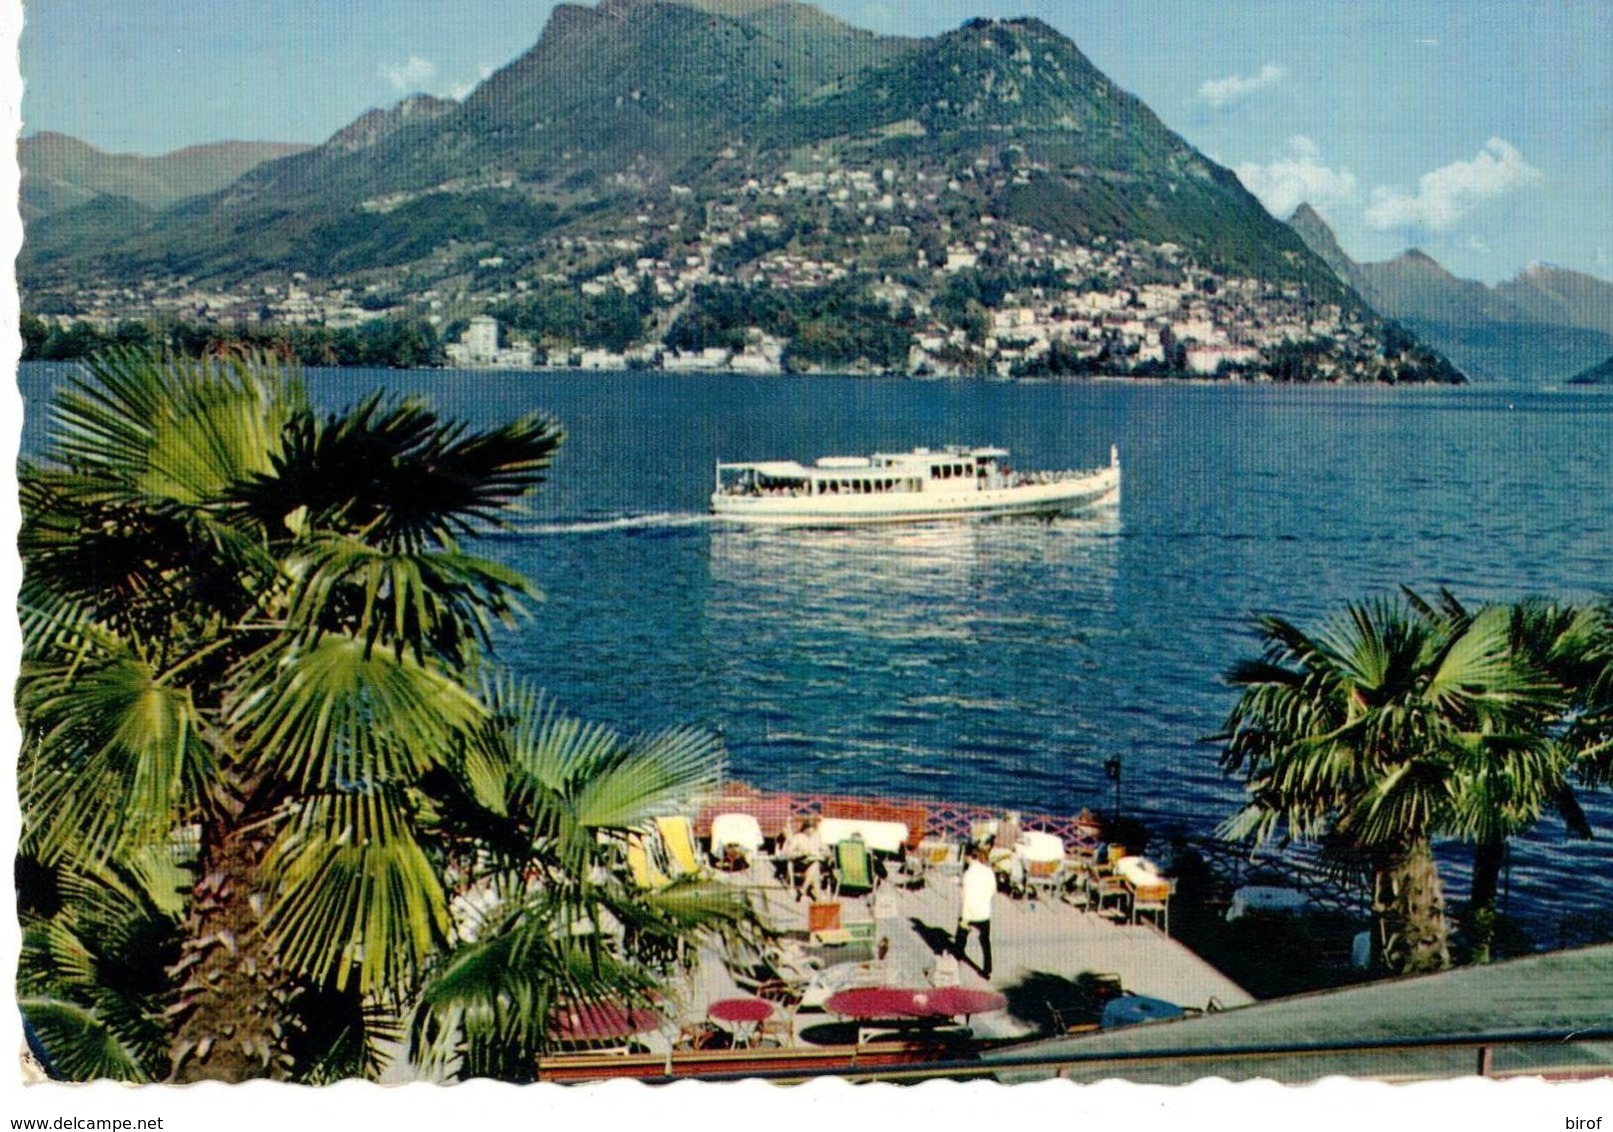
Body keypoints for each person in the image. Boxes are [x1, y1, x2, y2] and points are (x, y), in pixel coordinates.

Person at [953, 842, 995, 979]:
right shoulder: (988, 871)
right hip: (984, 911)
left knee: (960, 939)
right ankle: (987, 968)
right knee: (985, 941)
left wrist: (964, 918)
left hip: (969, 913)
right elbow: (992, 890)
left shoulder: (968, 875)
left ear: (967, 856)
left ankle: (955, 964)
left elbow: (965, 897)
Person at [781, 816, 827, 902]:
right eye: (808, 828)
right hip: (800, 863)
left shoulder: (817, 837)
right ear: (804, 828)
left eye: (812, 828)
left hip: (813, 862)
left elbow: (826, 850)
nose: (810, 831)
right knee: (815, 869)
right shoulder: (798, 837)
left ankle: (804, 891)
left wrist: (823, 853)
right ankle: (816, 897)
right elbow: (788, 853)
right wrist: (801, 853)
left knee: (815, 866)